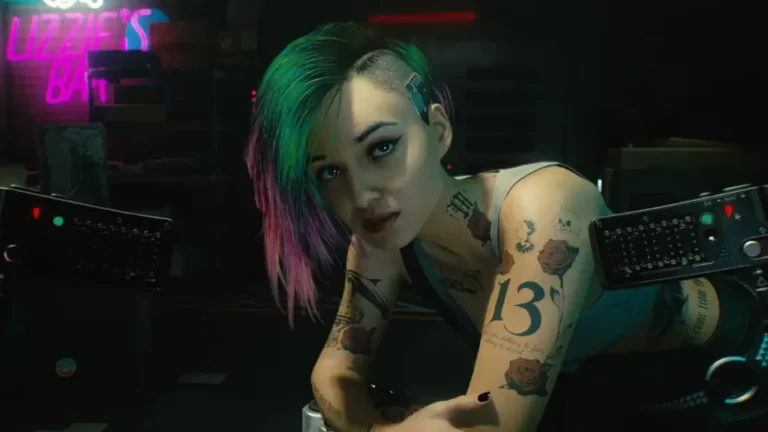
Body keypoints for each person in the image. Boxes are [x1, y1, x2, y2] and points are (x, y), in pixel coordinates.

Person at [245, 23, 762, 432]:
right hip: (593, 392)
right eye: (330, 172)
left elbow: (492, 428)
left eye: (381, 148)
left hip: (729, 372)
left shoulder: (544, 206)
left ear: (438, 130)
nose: (361, 196)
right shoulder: (381, 242)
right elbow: (333, 372)